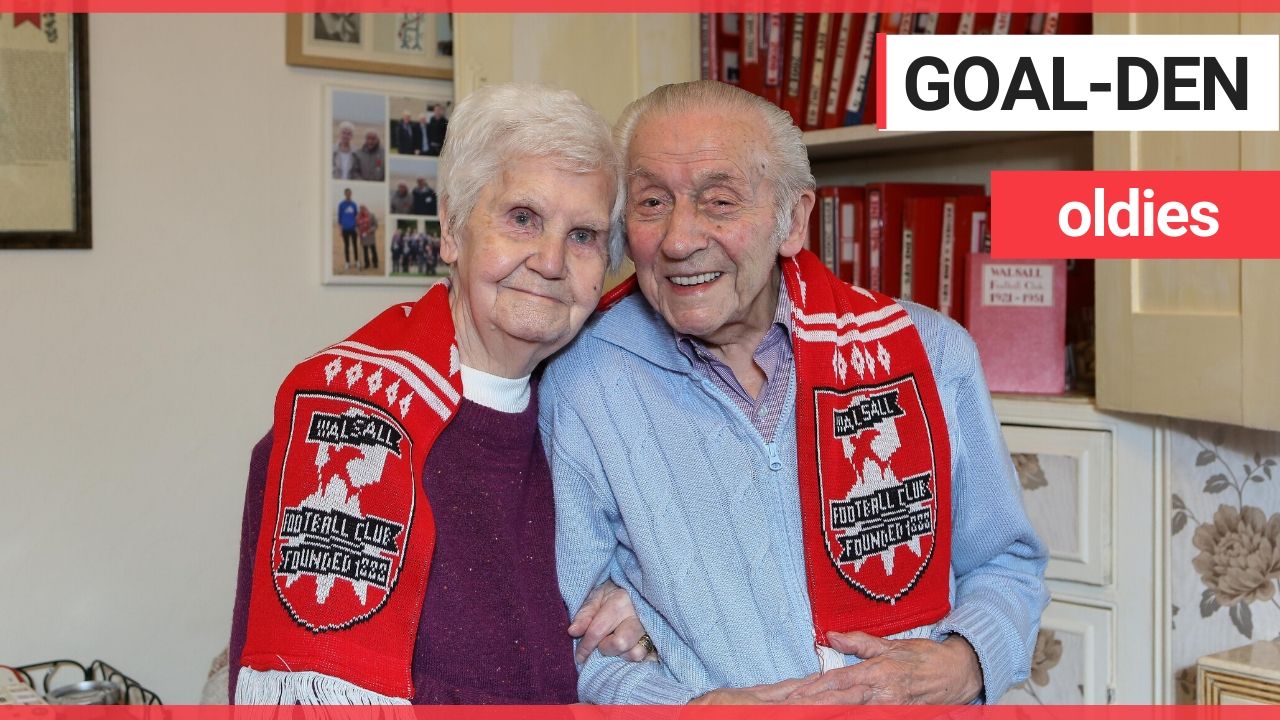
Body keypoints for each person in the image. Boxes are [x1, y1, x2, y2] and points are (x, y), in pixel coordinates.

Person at [541, 80, 1049, 705]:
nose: (678, 239)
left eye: (719, 201)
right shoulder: (582, 383)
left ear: (794, 219)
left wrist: (962, 665)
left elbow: (1007, 566)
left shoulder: (930, 353)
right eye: (651, 203)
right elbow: (564, 643)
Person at [230, 83, 648, 705]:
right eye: (522, 218)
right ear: (451, 228)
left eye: (583, 235)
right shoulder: (345, 420)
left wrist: (643, 610)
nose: (552, 261)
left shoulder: (597, 405)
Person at [337, 188, 358, 271]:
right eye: (347, 193)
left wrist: (357, 227)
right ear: (345, 194)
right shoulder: (341, 205)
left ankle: (356, 261)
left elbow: (356, 216)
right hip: (345, 229)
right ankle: (347, 262)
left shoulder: (354, 204)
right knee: (346, 246)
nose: (348, 194)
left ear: (351, 194)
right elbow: (339, 218)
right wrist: (340, 230)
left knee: (355, 245)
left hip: (353, 228)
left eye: (350, 193)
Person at [356, 204, 379, 270]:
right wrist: (357, 231)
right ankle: (367, 263)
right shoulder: (357, 217)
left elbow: (376, 225)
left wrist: (370, 230)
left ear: (366, 208)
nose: (362, 210)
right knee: (365, 250)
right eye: (360, 209)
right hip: (363, 236)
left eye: (363, 208)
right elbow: (356, 226)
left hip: (370, 235)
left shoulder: (371, 215)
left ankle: (375, 263)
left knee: (373, 249)